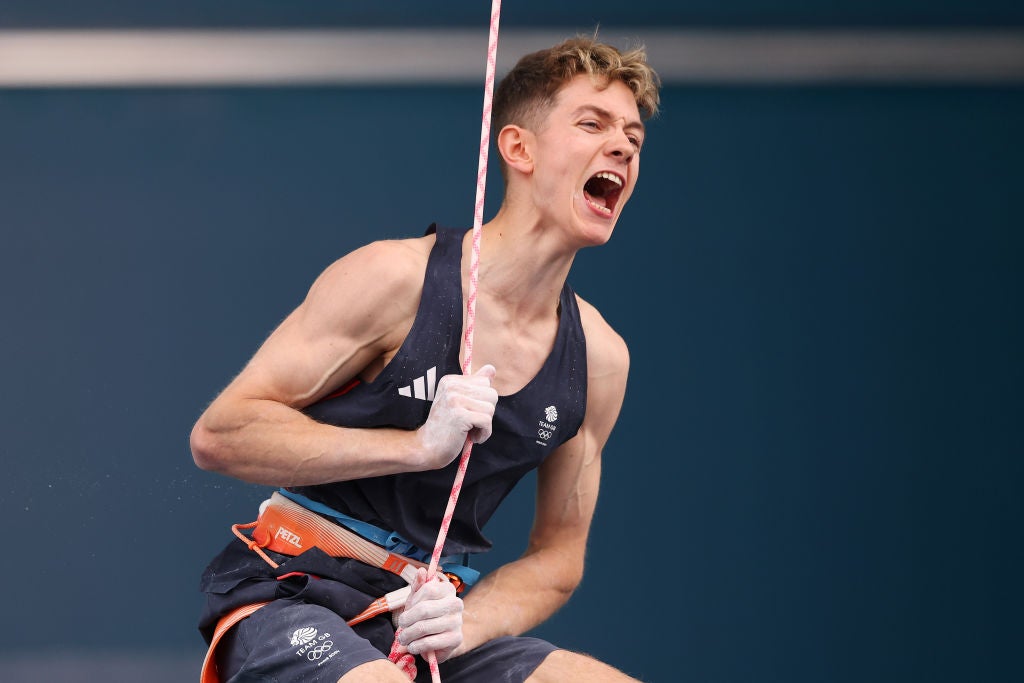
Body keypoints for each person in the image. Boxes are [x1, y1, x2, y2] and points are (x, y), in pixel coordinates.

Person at [191, 35, 660, 683]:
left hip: (427, 620)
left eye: (633, 137)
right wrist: (413, 446)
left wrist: (469, 620)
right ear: (519, 148)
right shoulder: (394, 281)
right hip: (294, 591)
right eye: (593, 124)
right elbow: (221, 434)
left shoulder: (602, 358)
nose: (623, 147)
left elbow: (559, 555)